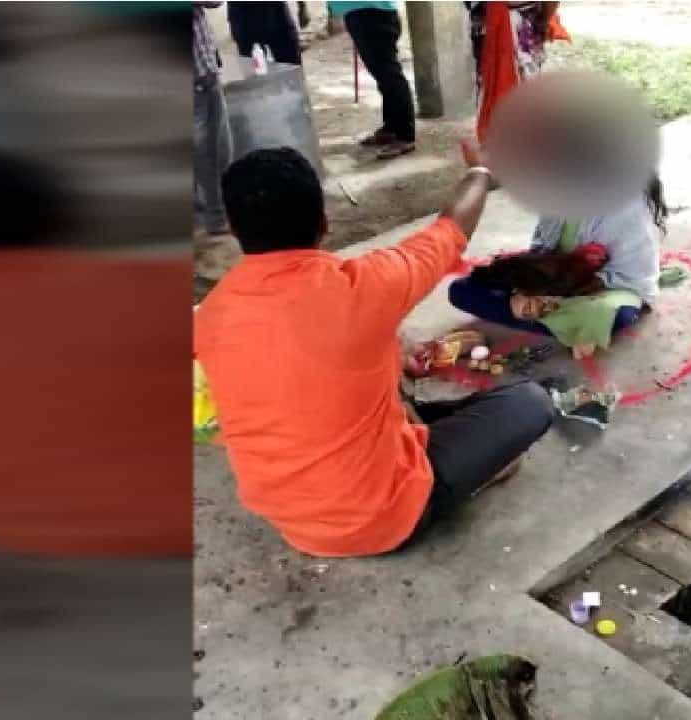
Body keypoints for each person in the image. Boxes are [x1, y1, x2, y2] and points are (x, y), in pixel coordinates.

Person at [194, 144, 554, 557]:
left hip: (292, 522)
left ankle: (448, 449)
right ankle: (468, 477)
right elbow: (452, 228)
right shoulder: (365, 285)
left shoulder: (212, 314)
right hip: (381, 520)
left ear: (234, 230)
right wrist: (481, 172)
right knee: (529, 402)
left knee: (384, 381)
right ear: (324, 222)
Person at [448, 176, 668, 358]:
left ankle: (575, 326)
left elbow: (630, 274)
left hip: (607, 287)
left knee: (615, 316)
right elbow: (541, 249)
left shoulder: (625, 207)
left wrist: (550, 295)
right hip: (555, 277)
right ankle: (572, 327)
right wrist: (525, 289)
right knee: (462, 290)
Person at [466, 1, 569, 140]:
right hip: (499, 22)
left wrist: (544, 20)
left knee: (503, 81)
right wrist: (544, 19)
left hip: (506, 22)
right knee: (512, 81)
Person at [329, 1, 416, 159]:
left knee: (389, 75)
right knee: (383, 76)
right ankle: (392, 128)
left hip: (372, 11)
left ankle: (405, 135)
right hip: (362, 11)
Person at [193, 1, 229, 235]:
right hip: (197, 78)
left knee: (213, 150)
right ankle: (215, 217)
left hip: (205, 71)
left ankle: (206, 212)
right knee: (209, 152)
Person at [226, 0, 302, 66]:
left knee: (291, 65)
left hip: (275, 14)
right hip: (243, 18)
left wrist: (301, 5)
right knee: (255, 70)